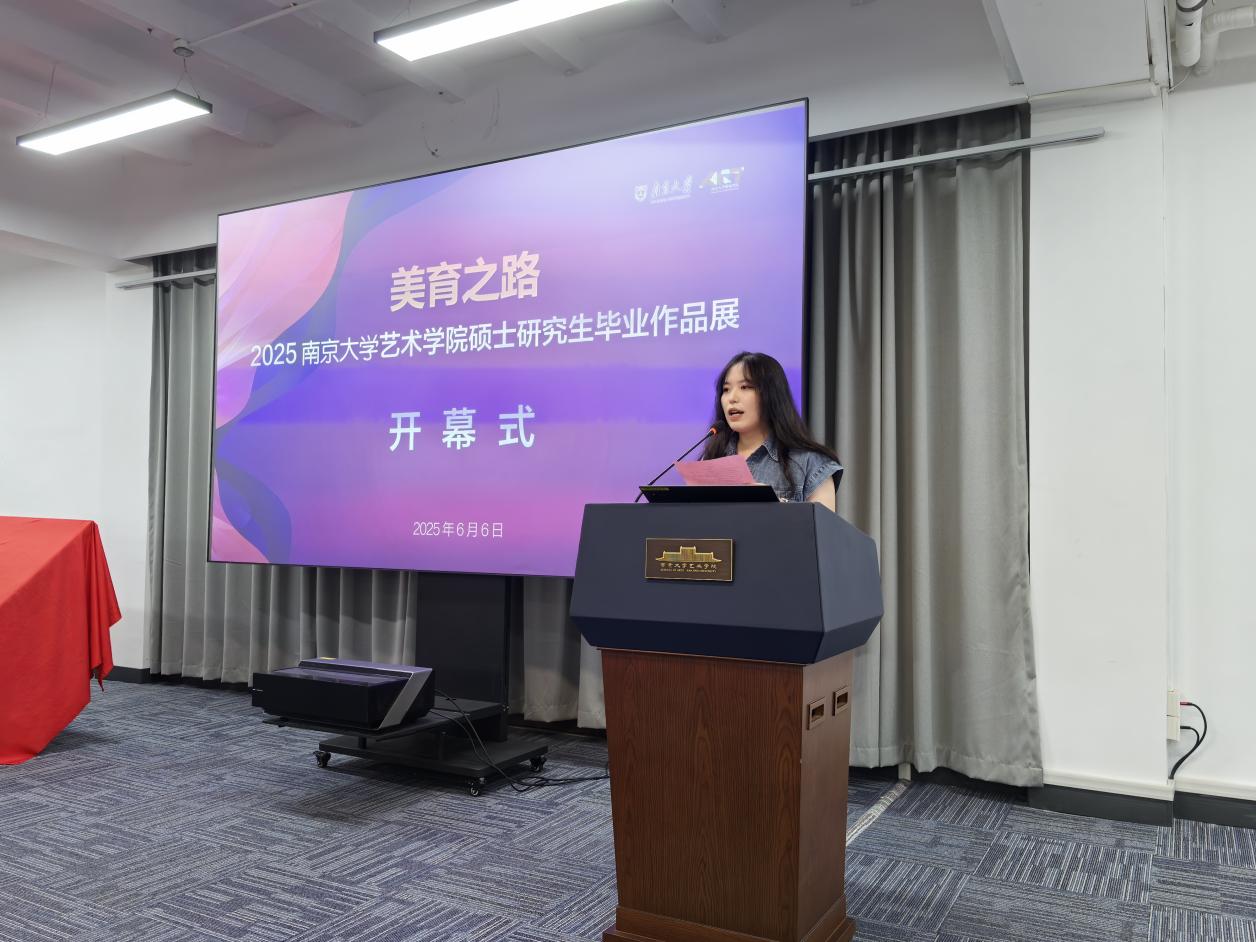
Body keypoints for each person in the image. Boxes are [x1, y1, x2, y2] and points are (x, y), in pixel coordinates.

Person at [703, 351, 843, 511]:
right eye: (726, 389)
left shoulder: (811, 464)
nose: (732, 398)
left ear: (771, 394)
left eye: (745, 387)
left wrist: (774, 504)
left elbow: (822, 525)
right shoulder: (712, 459)